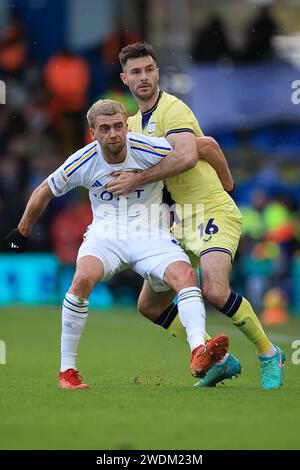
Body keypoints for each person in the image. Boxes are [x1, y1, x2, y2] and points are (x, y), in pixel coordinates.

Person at [6, 99, 229, 390]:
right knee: (82, 279)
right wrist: (22, 233)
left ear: (126, 125)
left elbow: (207, 146)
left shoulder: (148, 146)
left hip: (151, 233)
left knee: (186, 277)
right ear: (92, 133)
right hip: (106, 234)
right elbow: (42, 192)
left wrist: (227, 186)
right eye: (105, 128)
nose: (113, 134)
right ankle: (67, 372)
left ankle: (199, 351)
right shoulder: (84, 160)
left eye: (118, 126)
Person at [106, 42, 285, 390]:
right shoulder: (129, 125)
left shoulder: (173, 110)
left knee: (215, 291)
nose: (144, 77)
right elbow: (210, 146)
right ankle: (214, 358)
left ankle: (269, 352)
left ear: (157, 72)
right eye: (136, 72)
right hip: (174, 223)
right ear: (125, 78)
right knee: (149, 304)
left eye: (149, 70)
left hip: (208, 211)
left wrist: (223, 188)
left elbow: (188, 156)